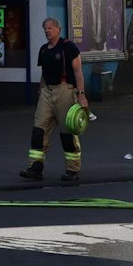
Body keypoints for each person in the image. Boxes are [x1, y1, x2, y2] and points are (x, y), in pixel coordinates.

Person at [21, 17, 86, 182]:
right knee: (38, 130)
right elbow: (44, 73)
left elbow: (78, 72)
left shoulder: (68, 47)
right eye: (45, 28)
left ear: (58, 29)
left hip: (65, 90)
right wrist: (41, 91)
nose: (47, 31)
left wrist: (81, 95)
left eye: (50, 28)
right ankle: (35, 167)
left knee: (67, 132)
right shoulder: (44, 50)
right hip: (47, 92)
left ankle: (73, 170)